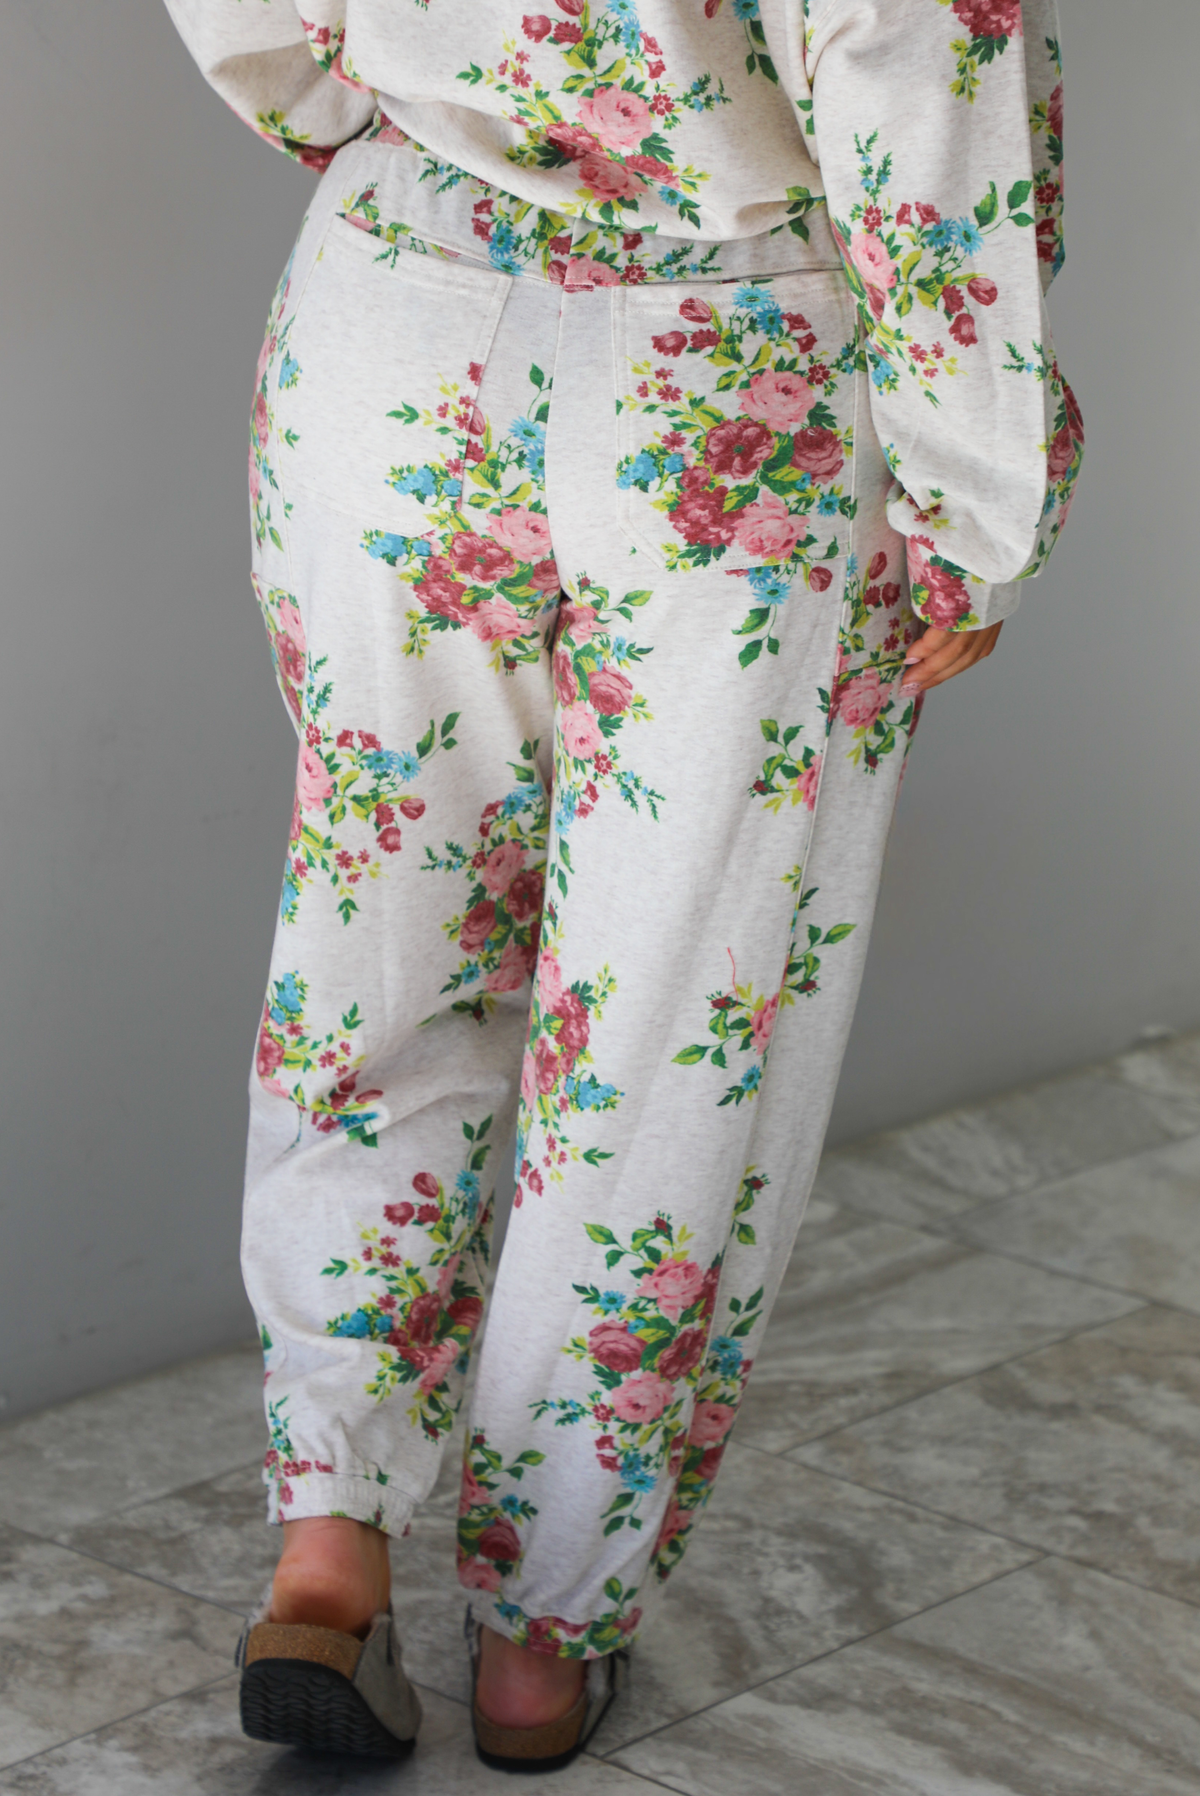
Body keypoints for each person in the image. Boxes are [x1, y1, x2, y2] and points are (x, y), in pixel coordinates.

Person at [166, 0, 1081, 1769]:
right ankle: (535, 1637)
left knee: (379, 943)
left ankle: (329, 1543)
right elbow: (913, 44)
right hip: (728, 354)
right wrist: (977, 494)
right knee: (670, 1032)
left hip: (396, 307)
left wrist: (383, 120)